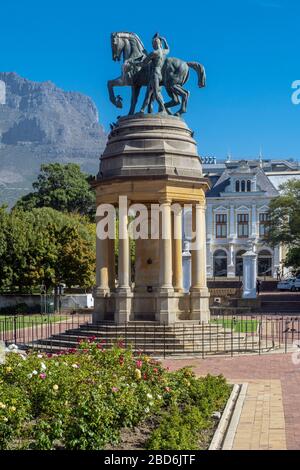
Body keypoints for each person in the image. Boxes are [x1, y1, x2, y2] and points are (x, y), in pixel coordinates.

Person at [139, 33, 170, 114]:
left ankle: (163, 109)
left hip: (154, 75)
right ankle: (142, 110)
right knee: (148, 94)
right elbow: (168, 49)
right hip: (159, 74)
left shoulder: (154, 53)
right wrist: (164, 40)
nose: (153, 45)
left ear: (154, 44)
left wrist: (133, 63)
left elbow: (144, 63)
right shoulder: (163, 52)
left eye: (153, 43)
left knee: (156, 93)